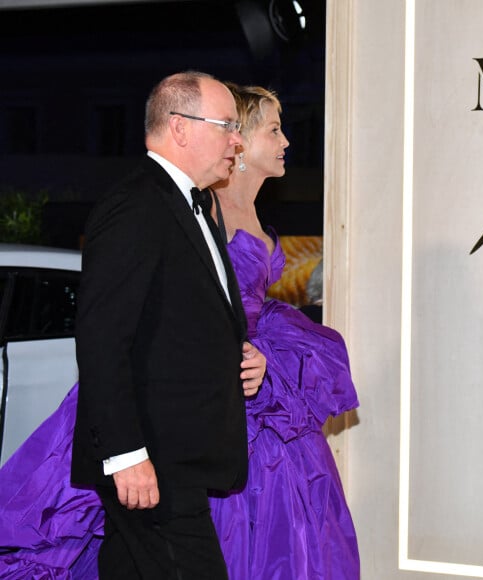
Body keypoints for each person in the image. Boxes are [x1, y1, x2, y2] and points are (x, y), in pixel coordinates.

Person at [0, 70, 267, 580]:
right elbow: (102, 338)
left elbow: (178, 325)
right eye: (226, 125)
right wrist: (126, 455)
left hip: (176, 457)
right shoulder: (137, 206)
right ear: (180, 127)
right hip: (154, 458)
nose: (237, 140)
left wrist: (241, 351)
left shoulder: (193, 207)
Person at [207, 82, 360, 580]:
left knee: (300, 518)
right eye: (273, 130)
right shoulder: (210, 208)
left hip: (260, 366)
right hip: (230, 381)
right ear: (241, 142)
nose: (286, 141)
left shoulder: (248, 208)